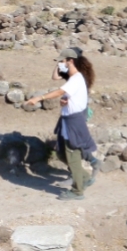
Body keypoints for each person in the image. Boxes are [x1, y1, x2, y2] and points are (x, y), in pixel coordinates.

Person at [25, 48, 98, 200]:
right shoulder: (74, 79)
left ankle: (77, 191)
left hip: (74, 122)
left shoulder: (76, 78)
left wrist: (39, 97)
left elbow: (59, 91)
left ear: (70, 61)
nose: (60, 64)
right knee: (62, 153)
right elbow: (63, 90)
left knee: (73, 156)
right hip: (67, 121)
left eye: (62, 61)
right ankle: (84, 177)